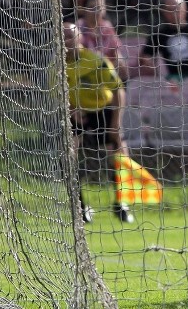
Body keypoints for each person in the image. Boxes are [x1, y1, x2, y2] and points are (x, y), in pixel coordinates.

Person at [64, 22, 134, 224]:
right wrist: (70, 110)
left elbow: (118, 90)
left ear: (79, 38)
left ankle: (122, 203)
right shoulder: (56, 67)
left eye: (71, 37)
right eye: (63, 38)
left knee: (119, 149)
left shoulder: (96, 61)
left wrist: (116, 125)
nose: (67, 42)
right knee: (69, 153)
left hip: (101, 110)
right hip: (75, 112)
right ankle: (80, 206)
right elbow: (53, 97)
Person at [77, 0, 129, 83]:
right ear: (84, 9)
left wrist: (120, 64)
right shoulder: (78, 27)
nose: (96, 11)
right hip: (85, 71)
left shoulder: (107, 26)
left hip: (106, 69)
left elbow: (116, 52)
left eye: (99, 7)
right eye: (92, 7)